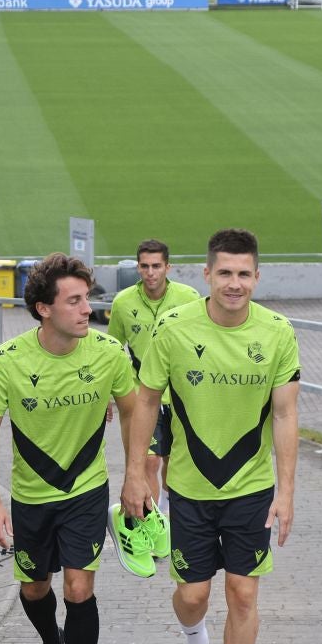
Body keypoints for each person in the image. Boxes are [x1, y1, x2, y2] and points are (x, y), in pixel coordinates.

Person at [120, 228, 300, 644]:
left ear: (257, 277)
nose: (235, 283)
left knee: (243, 593)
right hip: (190, 490)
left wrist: (286, 492)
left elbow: (286, 417)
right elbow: (147, 402)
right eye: (225, 273)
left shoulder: (278, 332)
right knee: (194, 595)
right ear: (206, 275)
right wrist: (135, 473)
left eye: (244, 274)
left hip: (251, 488)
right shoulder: (174, 329)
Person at [0, 253, 137, 644]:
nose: (88, 309)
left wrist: (138, 476)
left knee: (79, 588)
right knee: (34, 588)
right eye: (75, 301)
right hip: (31, 496)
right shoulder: (8, 361)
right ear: (44, 309)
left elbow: (134, 411)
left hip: (86, 490)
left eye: (88, 299)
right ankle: (51, 642)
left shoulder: (109, 354)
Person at [107, 239, 200, 558]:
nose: (150, 273)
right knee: (147, 461)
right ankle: (154, 526)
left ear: (168, 268)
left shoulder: (189, 298)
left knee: (174, 466)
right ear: (137, 267)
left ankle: (173, 520)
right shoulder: (122, 302)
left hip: (180, 397)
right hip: (141, 395)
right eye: (144, 266)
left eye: (156, 266)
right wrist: (107, 395)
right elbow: (112, 349)